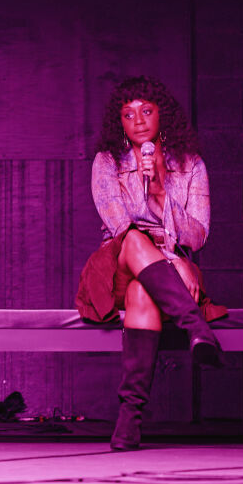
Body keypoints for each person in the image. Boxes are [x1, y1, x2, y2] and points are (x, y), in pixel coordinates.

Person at [75, 75, 225, 451]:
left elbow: (198, 235)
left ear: (162, 115)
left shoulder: (190, 165)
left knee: (143, 294)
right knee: (133, 239)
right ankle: (196, 326)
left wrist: (160, 193)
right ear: (120, 124)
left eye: (146, 111)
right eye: (128, 115)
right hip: (117, 265)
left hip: (160, 274)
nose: (138, 120)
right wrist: (175, 262)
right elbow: (119, 225)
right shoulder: (107, 162)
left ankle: (130, 418)